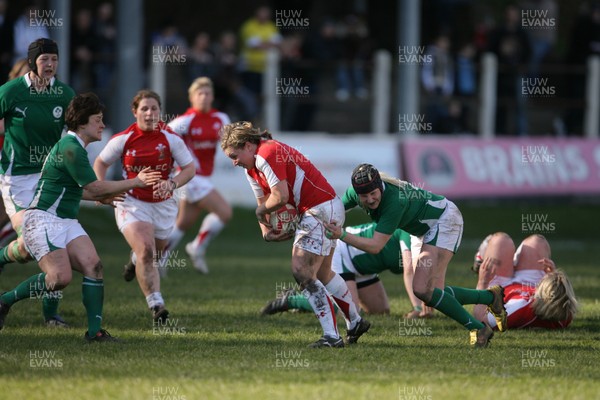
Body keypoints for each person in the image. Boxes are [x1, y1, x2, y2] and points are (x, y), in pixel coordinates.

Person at [0, 92, 161, 341]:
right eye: (98, 119)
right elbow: (95, 187)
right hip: (43, 219)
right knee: (59, 278)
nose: (103, 125)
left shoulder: (75, 147)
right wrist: (135, 181)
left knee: (93, 266)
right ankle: (5, 301)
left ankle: (95, 333)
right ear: (83, 122)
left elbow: (79, 189)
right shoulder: (71, 148)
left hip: (64, 220)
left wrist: (102, 196)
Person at [220, 121, 370, 348]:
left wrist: (259, 212)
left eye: (234, 155)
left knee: (302, 271)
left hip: (319, 210)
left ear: (248, 146)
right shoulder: (252, 167)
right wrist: (265, 230)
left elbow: (279, 197)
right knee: (323, 273)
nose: (233, 162)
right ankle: (355, 322)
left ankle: (332, 336)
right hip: (325, 208)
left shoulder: (267, 152)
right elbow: (263, 202)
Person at [324, 163, 507, 347]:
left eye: (374, 194)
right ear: (357, 194)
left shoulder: (394, 201)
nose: (370, 200)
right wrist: (308, 216)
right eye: (364, 196)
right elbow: (333, 208)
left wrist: (342, 235)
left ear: (380, 187)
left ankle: (478, 329)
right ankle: (491, 297)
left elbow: (376, 246)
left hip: (444, 220)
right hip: (422, 230)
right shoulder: (355, 193)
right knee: (435, 294)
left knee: (421, 289)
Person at [93, 90, 195, 323]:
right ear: (135, 111)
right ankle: (156, 305)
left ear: (161, 111)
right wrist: (102, 189)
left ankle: (133, 260)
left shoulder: (170, 138)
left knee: (153, 253)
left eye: (155, 109)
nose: (150, 114)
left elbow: (189, 169)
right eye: (145, 109)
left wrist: (172, 183)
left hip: (164, 205)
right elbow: (101, 162)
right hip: (132, 201)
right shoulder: (124, 138)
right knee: (147, 251)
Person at [0, 38, 75, 326]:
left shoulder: (63, 94)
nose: (50, 65)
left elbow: (77, 131)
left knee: (53, 241)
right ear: (33, 62)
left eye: (54, 60)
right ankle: (3, 257)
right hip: (16, 179)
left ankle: (50, 315)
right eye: (44, 59)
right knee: (36, 245)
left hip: (49, 177)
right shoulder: (11, 91)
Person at [261, 222, 430, 317]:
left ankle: (341, 295)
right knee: (349, 310)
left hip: (364, 267)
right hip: (343, 251)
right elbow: (410, 269)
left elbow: (425, 272)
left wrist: (428, 303)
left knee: (380, 311)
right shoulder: (409, 231)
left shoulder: (429, 240)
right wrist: (418, 308)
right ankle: (292, 299)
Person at [162, 77, 232, 274]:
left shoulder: (221, 119)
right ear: (191, 98)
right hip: (190, 177)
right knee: (225, 212)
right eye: (199, 94)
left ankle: (158, 256)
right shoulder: (184, 121)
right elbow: (162, 141)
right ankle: (197, 247)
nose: (203, 97)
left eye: (207, 93)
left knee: (183, 223)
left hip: (203, 177)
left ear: (213, 97)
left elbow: (230, 142)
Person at [472, 232, 577, 329]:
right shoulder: (564, 314)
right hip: (531, 286)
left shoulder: (520, 309)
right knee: (537, 242)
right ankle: (513, 262)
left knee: (501, 241)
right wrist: (552, 275)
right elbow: (559, 298)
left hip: (501, 289)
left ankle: (481, 258)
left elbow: (481, 320)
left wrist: (483, 282)